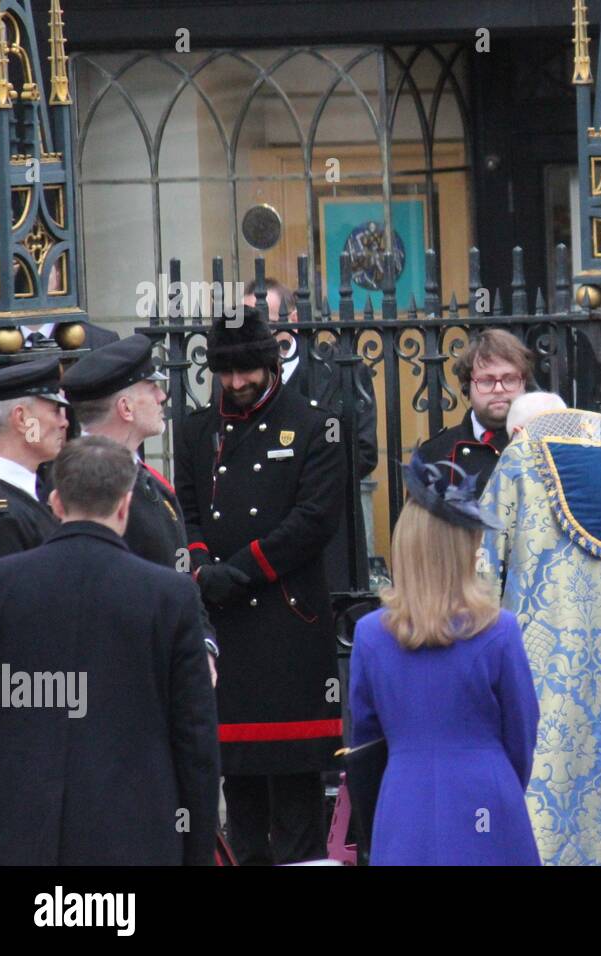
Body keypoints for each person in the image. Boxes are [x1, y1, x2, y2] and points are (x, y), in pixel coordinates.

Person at [0, 436, 219, 865]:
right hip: (134, 833)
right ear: (125, 506)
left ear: (54, 501)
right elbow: (195, 738)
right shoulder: (170, 596)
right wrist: (197, 846)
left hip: (15, 832)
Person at [174, 306, 346, 865]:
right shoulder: (196, 430)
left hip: (287, 624)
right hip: (224, 626)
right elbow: (189, 511)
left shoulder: (315, 422)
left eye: (247, 370)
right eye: (225, 373)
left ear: (269, 363)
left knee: (296, 795)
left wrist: (242, 569)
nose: (237, 383)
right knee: (239, 792)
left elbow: (315, 519)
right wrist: (202, 568)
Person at [480, 392, 601, 865]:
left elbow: (478, 574)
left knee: (551, 799)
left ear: (519, 432)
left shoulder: (521, 460)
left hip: (544, 674)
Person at [349, 452, 540, 865]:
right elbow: (522, 735)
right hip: (487, 794)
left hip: (404, 799)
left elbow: (364, 745)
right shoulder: (499, 630)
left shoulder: (369, 635)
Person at [63, 334, 220, 684]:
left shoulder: (150, 482)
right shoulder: (76, 484)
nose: (163, 396)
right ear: (126, 408)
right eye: (152, 387)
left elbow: (180, 578)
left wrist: (204, 644)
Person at [244, 279, 380, 592]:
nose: (254, 329)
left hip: (331, 533)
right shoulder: (238, 378)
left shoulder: (341, 368)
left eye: (264, 317)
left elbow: (364, 451)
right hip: (261, 534)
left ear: (293, 319)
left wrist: (298, 478)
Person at [418, 328, 534, 497]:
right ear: (467, 387)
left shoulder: (545, 447)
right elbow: (417, 522)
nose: (499, 389)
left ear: (524, 383)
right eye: (487, 381)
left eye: (510, 379)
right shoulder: (433, 455)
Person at [0, 358, 68, 561]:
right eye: (56, 410)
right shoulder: (0, 518)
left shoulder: (33, 491)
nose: (64, 423)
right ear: (22, 419)